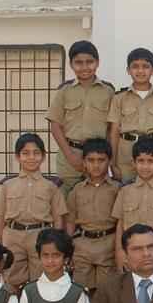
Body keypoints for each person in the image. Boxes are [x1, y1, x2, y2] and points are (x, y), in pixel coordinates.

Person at [0, 133, 67, 292]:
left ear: (43, 156)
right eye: (25, 153)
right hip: (12, 236)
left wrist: (57, 244)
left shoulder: (51, 186)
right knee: (11, 279)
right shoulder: (8, 185)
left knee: (41, 280)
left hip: (40, 236)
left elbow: (58, 218)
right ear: (17, 157)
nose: (31, 157)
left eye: (36, 153)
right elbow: (0, 217)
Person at [45, 40, 114, 196]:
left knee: (97, 197)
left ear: (97, 63)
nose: (84, 67)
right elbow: (55, 125)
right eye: (79, 63)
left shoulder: (108, 91)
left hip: (98, 156)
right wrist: (70, 156)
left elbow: (112, 128)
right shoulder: (64, 91)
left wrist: (109, 158)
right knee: (67, 199)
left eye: (89, 62)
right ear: (71, 64)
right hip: (70, 154)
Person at [111, 138, 153, 271]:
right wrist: (119, 253)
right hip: (131, 250)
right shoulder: (125, 191)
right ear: (133, 163)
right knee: (132, 282)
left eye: (151, 161)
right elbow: (120, 225)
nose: (145, 166)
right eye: (141, 161)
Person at [65, 138, 121, 293]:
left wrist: (119, 249)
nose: (96, 165)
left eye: (101, 160)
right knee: (82, 291)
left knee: (107, 291)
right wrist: (68, 249)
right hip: (82, 246)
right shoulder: (76, 190)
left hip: (108, 246)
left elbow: (121, 222)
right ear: (84, 162)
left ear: (109, 161)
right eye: (91, 160)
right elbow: (70, 221)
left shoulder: (117, 189)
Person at [107, 47, 153, 182]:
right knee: (126, 191)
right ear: (128, 70)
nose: (140, 71)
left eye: (145, 66)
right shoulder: (119, 98)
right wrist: (113, 164)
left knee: (151, 191)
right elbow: (114, 132)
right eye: (135, 66)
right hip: (126, 156)